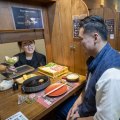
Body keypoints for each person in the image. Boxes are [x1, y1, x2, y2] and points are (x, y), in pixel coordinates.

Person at [56, 15, 120, 120]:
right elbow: (88, 87)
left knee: (59, 112)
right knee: (61, 108)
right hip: (86, 105)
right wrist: (76, 104)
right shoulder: (96, 58)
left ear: (95, 37)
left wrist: (77, 119)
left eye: (81, 39)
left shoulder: (112, 75)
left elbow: (105, 118)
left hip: (92, 114)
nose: (79, 43)